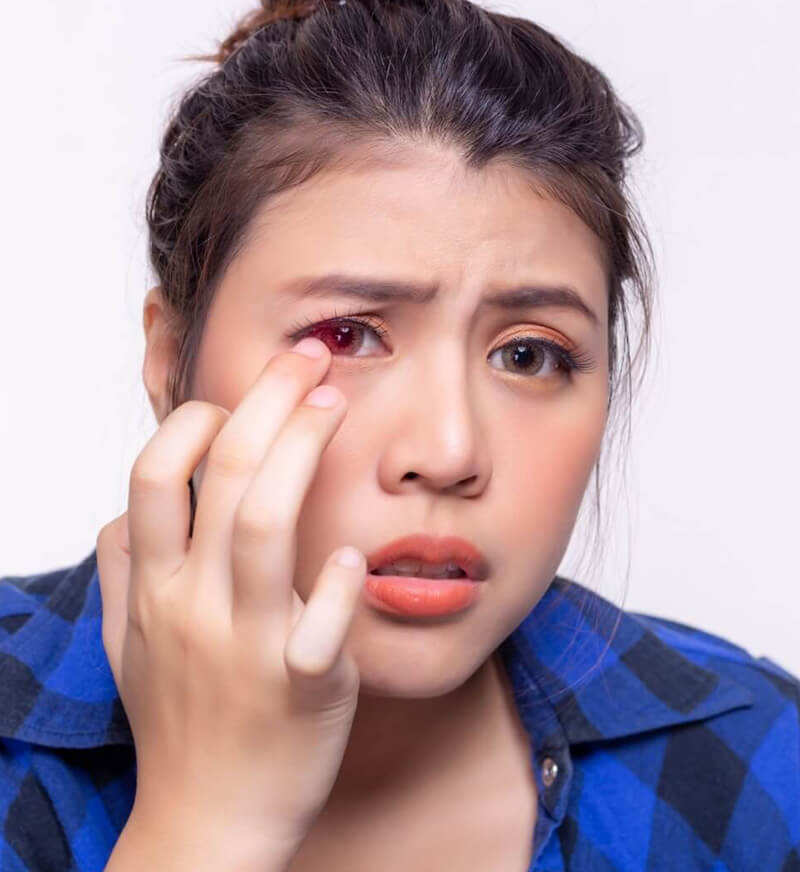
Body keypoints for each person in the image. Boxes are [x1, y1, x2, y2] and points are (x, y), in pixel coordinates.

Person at [1, 0, 798, 869]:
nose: (449, 452)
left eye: (528, 355)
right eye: (345, 336)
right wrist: (202, 826)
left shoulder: (757, 766)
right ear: (168, 360)